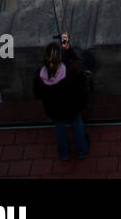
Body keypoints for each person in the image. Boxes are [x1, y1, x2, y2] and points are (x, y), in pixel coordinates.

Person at [33, 33, 89, 163]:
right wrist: (67, 48)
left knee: (59, 127)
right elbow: (78, 64)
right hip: (72, 106)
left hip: (55, 110)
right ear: (60, 58)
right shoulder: (71, 72)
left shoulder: (40, 77)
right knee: (76, 123)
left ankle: (64, 154)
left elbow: (38, 95)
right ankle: (81, 151)